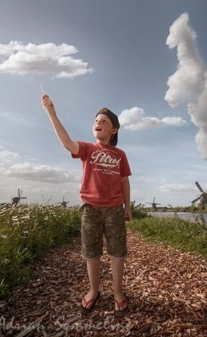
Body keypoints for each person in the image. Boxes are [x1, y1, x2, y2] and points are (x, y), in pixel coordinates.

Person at [41, 94, 132, 317]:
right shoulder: (87, 149)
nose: (98, 123)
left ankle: (118, 292)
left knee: (117, 252)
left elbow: (124, 181)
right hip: (90, 209)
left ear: (114, 130)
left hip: (114, 209)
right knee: (91, 253)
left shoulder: (120, 155)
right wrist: (52, 113)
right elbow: (66, 142)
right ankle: (94, 290)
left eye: (104, 121)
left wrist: (127, 207)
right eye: (96, 120)